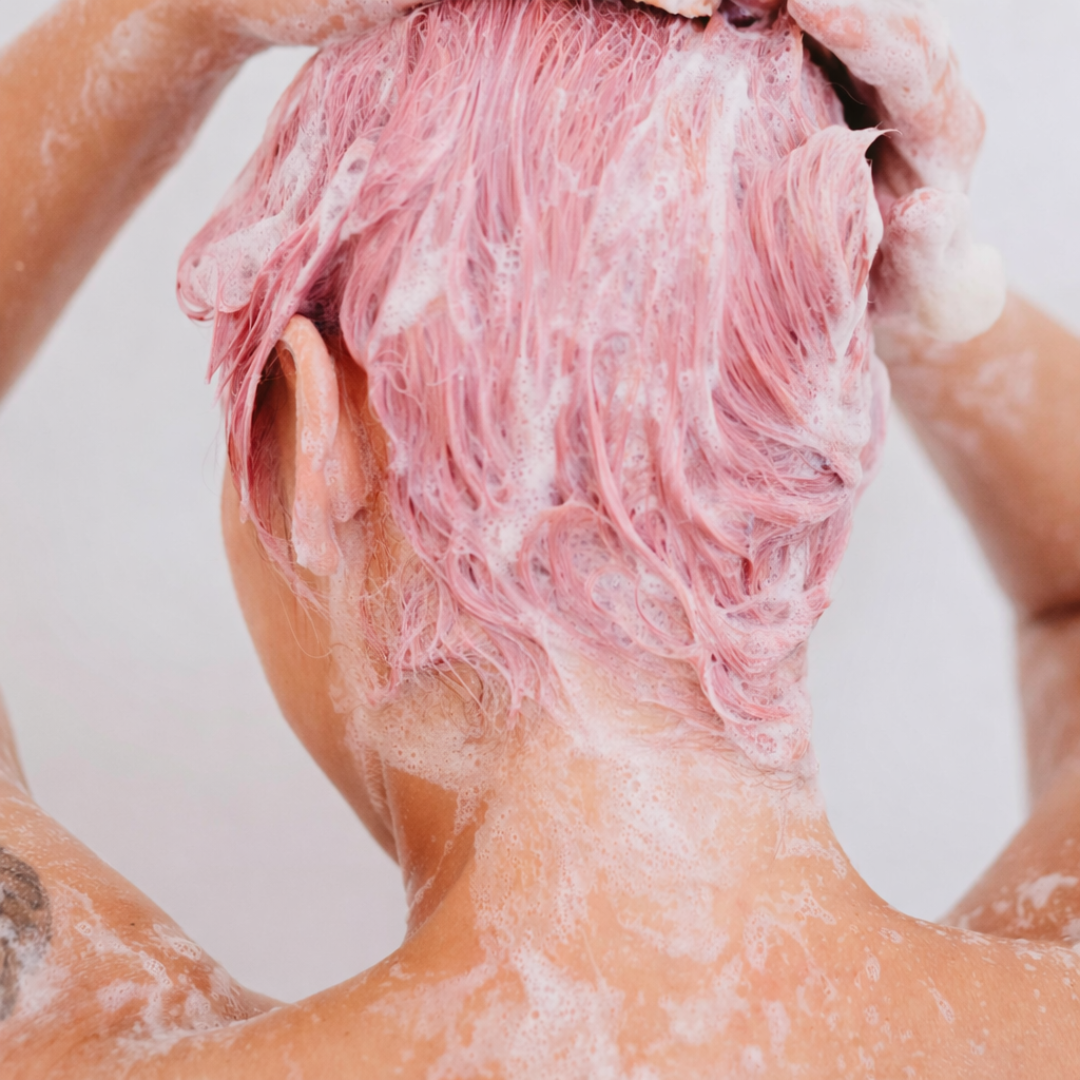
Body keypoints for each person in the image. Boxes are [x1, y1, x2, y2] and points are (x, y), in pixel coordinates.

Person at [0, 1, 1078, 1078]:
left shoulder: (83, 1050)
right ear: (804, 434)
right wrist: (936, 291)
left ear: (306, 432)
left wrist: (176, 20)